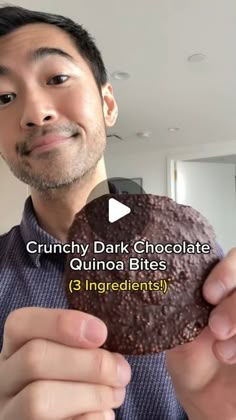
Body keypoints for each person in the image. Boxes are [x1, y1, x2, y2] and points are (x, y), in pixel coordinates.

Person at [0, 5, 235, 420]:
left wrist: (217, 410)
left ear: (108, 104)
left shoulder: (201, 266)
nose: (35, 113)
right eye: (3, 97)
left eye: (57, 78)